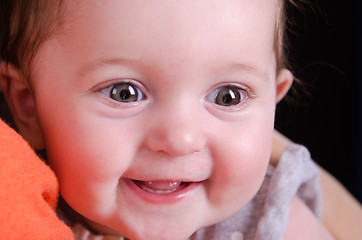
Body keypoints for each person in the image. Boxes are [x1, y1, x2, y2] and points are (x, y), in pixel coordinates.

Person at [0, 0, 336, 239]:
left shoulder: (274, 225)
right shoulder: (21, 211)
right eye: (124, 93)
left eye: (227, 96)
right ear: (28, 104)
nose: (180, 140)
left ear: (273, 103)